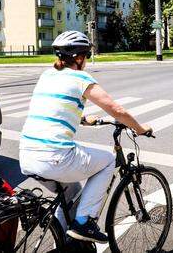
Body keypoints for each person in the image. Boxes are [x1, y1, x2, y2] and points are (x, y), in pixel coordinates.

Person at [19, 31, 152, 244]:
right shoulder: (81, 78)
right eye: (87, 56)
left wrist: (82, 118)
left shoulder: (47, 75)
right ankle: (85, 222)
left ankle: (60, 244)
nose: (87, 61)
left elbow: (53, 107)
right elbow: (116, 109)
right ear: (79, 58)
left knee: (72, 195)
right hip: (55, 156)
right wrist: (139, 128)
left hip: (27, 156)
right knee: (108, 160)